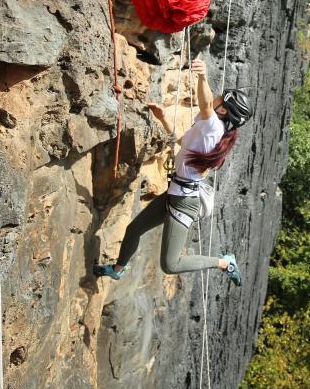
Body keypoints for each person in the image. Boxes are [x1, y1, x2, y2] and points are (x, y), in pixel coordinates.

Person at [93, 58, 253, 286]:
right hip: (176, 192)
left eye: (221, 97)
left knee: (170, 265)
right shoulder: (208, 131)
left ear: (223, 109)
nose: (216, 95)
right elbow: (182, 141)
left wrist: (202, 76)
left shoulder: (214, 128)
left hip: (184, 202)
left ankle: (224, 263)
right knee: (134, 229)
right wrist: (163, 118)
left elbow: (206, 104)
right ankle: (118, 269)